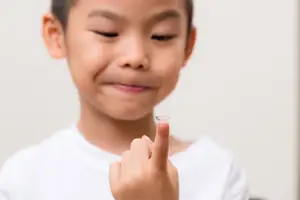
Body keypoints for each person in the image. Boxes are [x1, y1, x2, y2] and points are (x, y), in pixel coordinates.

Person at [0, 0, 249, 199]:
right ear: (57, 35)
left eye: (161, 36)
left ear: (187, 45)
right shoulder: (23, 179)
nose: (136, 56)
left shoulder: (217, 172)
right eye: (108, 32)